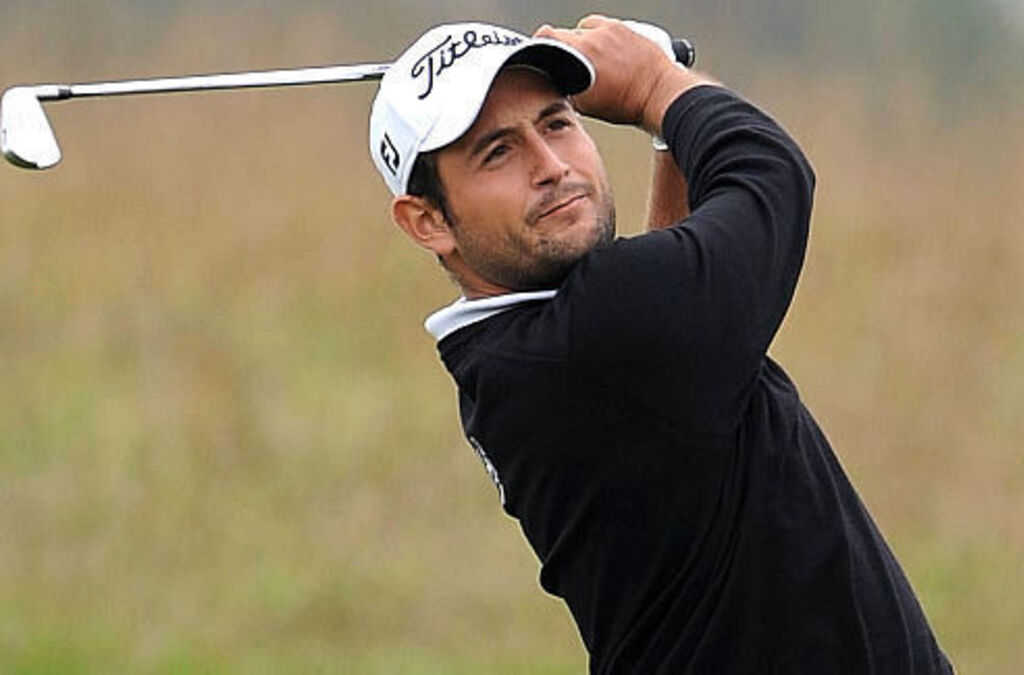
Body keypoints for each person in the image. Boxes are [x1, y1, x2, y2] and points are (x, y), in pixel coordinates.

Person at [368, 15, 953, 673]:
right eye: (497, 152)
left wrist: (667, 131)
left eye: (556, 123)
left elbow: (668, 298)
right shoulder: (596, 338)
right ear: (428, 221)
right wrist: (653, 84)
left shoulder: (502, 353)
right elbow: (772, 173)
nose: (552, 167)